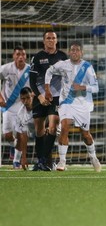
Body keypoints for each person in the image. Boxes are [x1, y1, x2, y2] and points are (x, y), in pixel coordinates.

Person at [44, 41, 101, 172]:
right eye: (72, 50)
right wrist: (47, 89)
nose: (74, 52)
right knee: (64, 126)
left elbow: (96, 88)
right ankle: (62, 161)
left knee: (85, 135)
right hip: (66, 103)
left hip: (83, 104)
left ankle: (93, 157)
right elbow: (49, 71)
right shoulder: (63, 65)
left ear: (82, 52)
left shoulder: (87, 67)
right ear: (69, 52)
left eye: (77, 50)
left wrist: (82, 87)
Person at [29, 30, 68, 171]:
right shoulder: (37, 57)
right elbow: (32, 80)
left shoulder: (63, 57)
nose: (51, 40)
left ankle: (45, 160)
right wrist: (39, 96)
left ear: (56, 40)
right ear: (44, 41)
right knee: (39, 129)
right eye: (48, 38)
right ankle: (40, 160)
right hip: (40, 96)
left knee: (53, 126)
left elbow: (68, 77)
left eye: (53, 38)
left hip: (57, 97)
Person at [0, 46, 30, 169]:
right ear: (14, 56)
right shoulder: (6, 68)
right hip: (8, 104)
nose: (20, 57)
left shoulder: (30, 70)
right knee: (7, 135)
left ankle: (16, 161)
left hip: (22, 105)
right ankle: (14, 146)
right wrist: (1, 98)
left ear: (26, 56)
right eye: (18, 54)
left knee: (20, 132)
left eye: (23, 54)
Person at [14, 87, 36, 170]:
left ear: (32, 96)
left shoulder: (40, 105)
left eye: (28, 98)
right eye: (23, 99)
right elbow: (24, 135)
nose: (26, 101)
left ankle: (49, 162)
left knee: (47, 134)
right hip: (31, 130)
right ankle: (16, 160)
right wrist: (24, 157)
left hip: (45, 127)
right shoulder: (20, 113)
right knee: (19, 137)